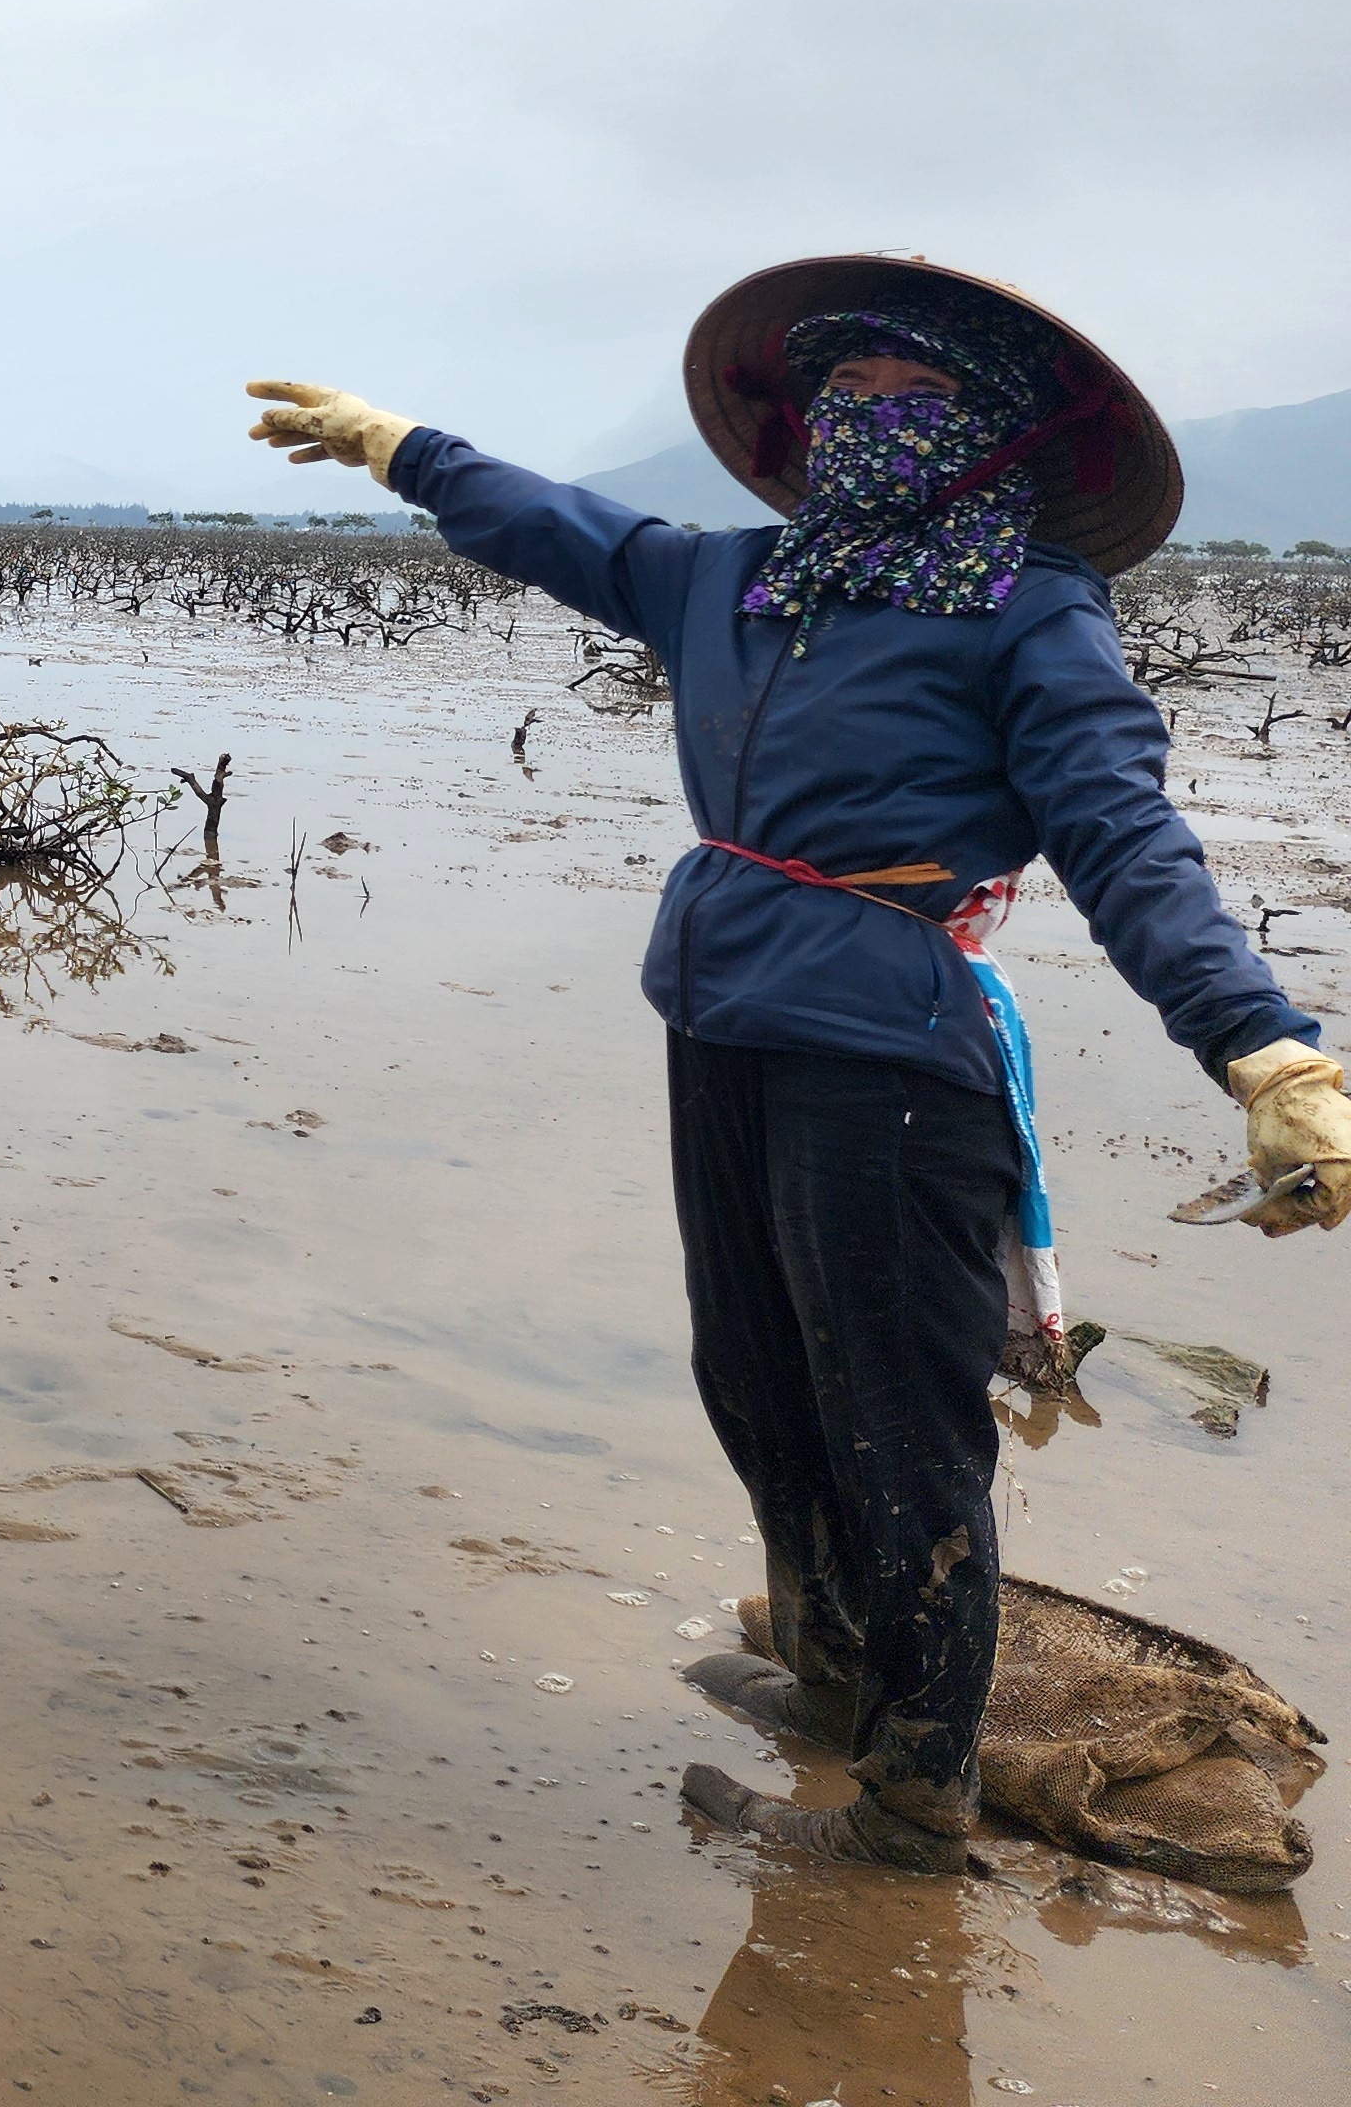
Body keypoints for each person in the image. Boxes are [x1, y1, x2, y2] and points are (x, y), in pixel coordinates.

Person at [245, 255, 1349, 1875]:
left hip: (891, 1056)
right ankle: (836, 1688)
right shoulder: (736, 579)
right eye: (839, 395)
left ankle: (916, 1798)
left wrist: (1263, 1048)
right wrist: (399, 444)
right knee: (753, 1377)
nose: (862, 421)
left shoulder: (1031, 606)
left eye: (908, 400)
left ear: (987, 439)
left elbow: (1123, 830)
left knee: (899, 1431)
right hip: (725, 1023)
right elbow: (564, 528)